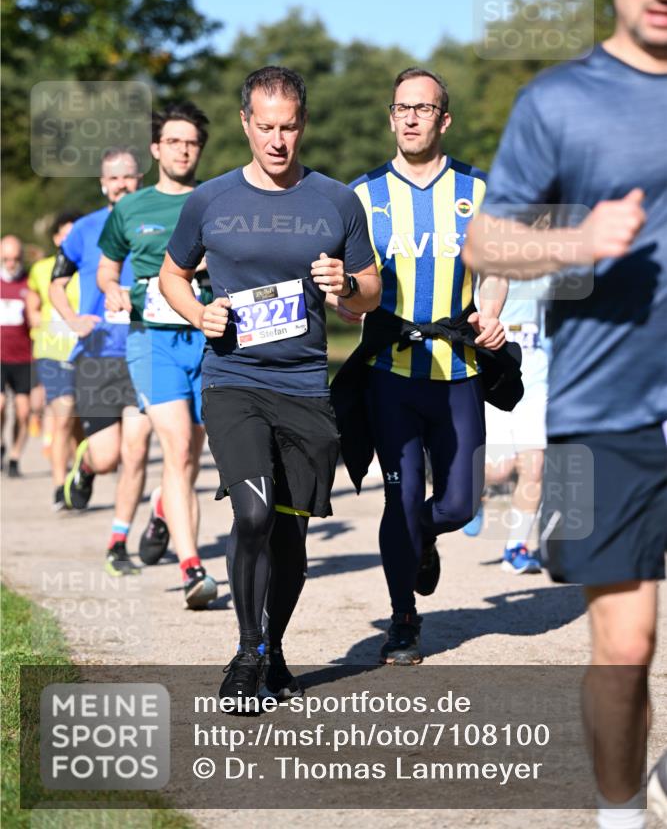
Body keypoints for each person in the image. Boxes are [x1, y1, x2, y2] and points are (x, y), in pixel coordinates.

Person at [463, 0, 667, 829]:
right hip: (604, 413)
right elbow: (484, 241)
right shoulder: (559, 101)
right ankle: (619, 814)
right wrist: (576, 243)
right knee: (625, 646)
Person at [159, 66, 380, 703]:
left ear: (302, 124)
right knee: (252, 513)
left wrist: (347, 286)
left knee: (289, 533)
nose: (277, 140)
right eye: (265, 127)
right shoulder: (210, 200)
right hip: (233, 378)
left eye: (288, 127)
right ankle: (247, 651)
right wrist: (198, 313)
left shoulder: (336, 200)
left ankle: (273, 648)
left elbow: (369, 293)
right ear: (245, 123)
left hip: (305, 384)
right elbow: (173, 275)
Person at [332, 67, 507, 666]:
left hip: (459, 370)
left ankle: (423, 538)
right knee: (400, 498)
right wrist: (343, 298)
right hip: (390, 372)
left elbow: (496, 270)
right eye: (402, 108)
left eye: (424, 108)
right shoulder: (361, 195)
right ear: (391, 117)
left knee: (460, 504)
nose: (411, 118)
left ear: (444, 119)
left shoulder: (479, 190)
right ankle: (403, 618)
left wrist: (491, 312)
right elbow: (347, 282)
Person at [97, 102, 216, 608]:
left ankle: (165, 507)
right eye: (173, 141)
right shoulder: (131, 208)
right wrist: (112, 290)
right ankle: (193, 569)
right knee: (179, 447)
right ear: (156, 148)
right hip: (152, 340)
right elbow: (107, 268)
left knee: (189, 458)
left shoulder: (217, 200)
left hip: (208, 339)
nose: (182, 150)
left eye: (191, 143)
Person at [50, 150, 152, 577]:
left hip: (145, 349)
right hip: (97, 355)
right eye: (114, 177)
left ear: (140, 178)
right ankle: (87, 464)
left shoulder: (156, 222)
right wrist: (72, 320)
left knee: (137, 450)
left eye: (129, 176)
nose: (121, 183)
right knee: (108, 457)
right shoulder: (84, 229)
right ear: (102, 183)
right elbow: (57, 284)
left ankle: (118, 542)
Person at [464, 275, 550, 575]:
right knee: (500, 469)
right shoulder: (483, 266)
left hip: (536, 375)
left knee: (534, 465)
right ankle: (474, 493)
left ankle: (516, 548)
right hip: (494, 373)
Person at [26, 211, 82, 504]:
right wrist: (33, 317)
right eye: (65, 234)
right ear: (56, 238)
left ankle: (80, 474)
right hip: (52, 351)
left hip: (86, 352)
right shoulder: (42, 268)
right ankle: (60, 487)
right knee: (64, 413)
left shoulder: (91, 269)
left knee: (78, 422)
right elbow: (33, 300)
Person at [0, 235, 32, 477]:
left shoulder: (29, 283)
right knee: (0, 405)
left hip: (24, 358)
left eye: (16, 259)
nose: (11, 264)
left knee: (23, 413)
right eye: (6, 259)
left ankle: (14, 456)